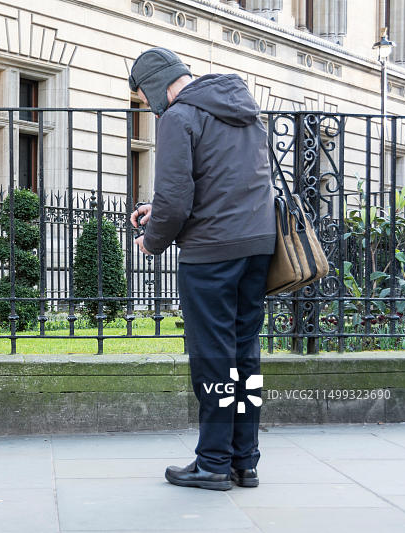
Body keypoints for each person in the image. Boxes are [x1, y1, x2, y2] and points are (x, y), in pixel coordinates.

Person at [128, 48, 276, 490]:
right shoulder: (245, 110)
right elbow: (230, 181)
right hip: (258, 245)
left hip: (211, 253)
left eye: (144, 95)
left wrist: (152, 240)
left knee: (212, 357)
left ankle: (212, 462)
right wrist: (164, 209)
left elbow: (175, 199)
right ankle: (244, 461)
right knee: (244, 354)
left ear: (156, 85)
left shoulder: (179, 117)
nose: (148, 104)